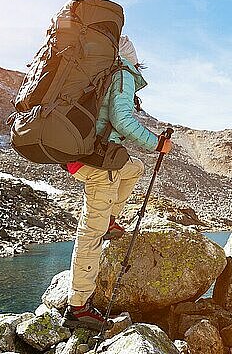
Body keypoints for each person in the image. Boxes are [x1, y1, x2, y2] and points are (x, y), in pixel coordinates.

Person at [62, 36, 172, 331]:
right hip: (98, 164)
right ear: (130, 58)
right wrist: (156, 143)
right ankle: (78, 307)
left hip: (89, 157)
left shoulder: (103, 74)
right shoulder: (121, 74)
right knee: (90, 235)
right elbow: (122, 120)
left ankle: (110, 219)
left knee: (133, 168)